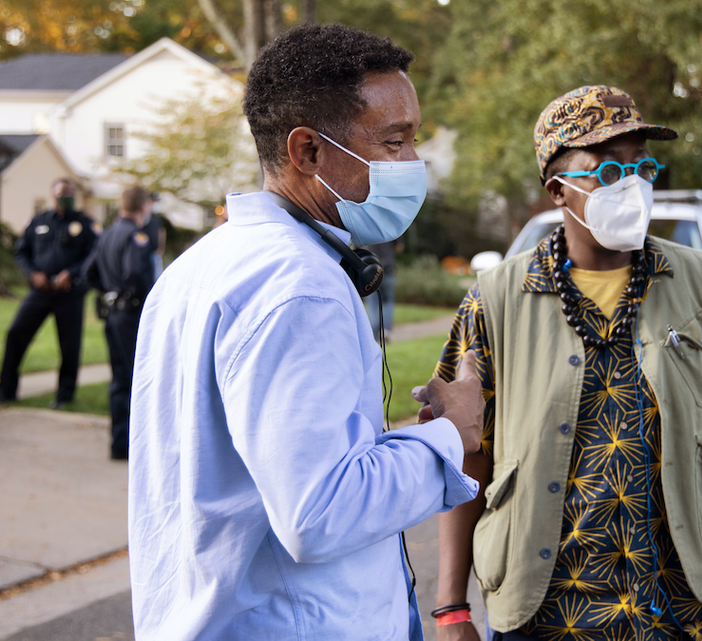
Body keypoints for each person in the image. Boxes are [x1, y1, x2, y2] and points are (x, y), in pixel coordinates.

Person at [127, 24, 485, 641]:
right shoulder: (301, 288)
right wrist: (452, 436)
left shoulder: (199, 267)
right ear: (308, 152)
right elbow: (320, 512)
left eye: (413, 141)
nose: (412, 163)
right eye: (394, 142)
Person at [432, 86, 702, 641]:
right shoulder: (495, 299)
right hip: (544, 612)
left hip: (679, 609)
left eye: (641, 166)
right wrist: (451, 608)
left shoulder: (699, 283)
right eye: (605, 170)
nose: (631, 185)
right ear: (557, 189)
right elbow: (467, 459)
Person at [0, 178, 97, 408]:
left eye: (68, 194)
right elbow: (21, 252)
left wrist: (73, 273)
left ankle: (64, 396)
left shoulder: (85, 224)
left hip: (69, 293)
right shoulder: (38, 222)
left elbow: (93, 255)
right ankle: (6, 390)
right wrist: (32, 274)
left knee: (69, 346)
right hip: (40, 291)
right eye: (60, 194)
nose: (64, 198)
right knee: (15, 333)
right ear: (52, 196)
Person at [83, 185, 155, 460]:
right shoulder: (136, 236)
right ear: (143, 206)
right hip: (131, 314)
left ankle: (119, 442)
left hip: (113, 314)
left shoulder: (109, 234)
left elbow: (88, 272)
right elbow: (136, 272)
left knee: (119, 379)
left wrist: (107, 291)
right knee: (137, 378)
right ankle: (136, 444)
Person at [363, 240, 397, 339]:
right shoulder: (390, 228)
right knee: (388, 301)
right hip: (387, 268)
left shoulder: (365, 228)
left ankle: (374, 333)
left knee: (372, 303)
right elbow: (399, 247)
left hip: (370, 269)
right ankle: (385, 330)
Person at [142, 192, 166, 280]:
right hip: (145, 253)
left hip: (155, 253)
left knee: (157, 278)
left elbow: (161, 231)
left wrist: (161, 247)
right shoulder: (144, 217)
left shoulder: (156, 218)